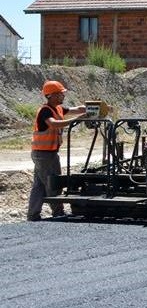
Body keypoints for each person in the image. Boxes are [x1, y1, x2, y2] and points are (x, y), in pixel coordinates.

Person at [27, 80, 87, 221]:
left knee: (40, 184)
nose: (62, 96)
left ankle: (33, 214)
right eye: (60, 94)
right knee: (53, 183)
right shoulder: (45, 111)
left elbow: (76, 109)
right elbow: (53, 124)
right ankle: (57, 212)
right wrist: (76, 119)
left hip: (47, 153)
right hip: (44, 154)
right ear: (51, 95)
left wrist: (92, 108)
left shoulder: (58, 109)